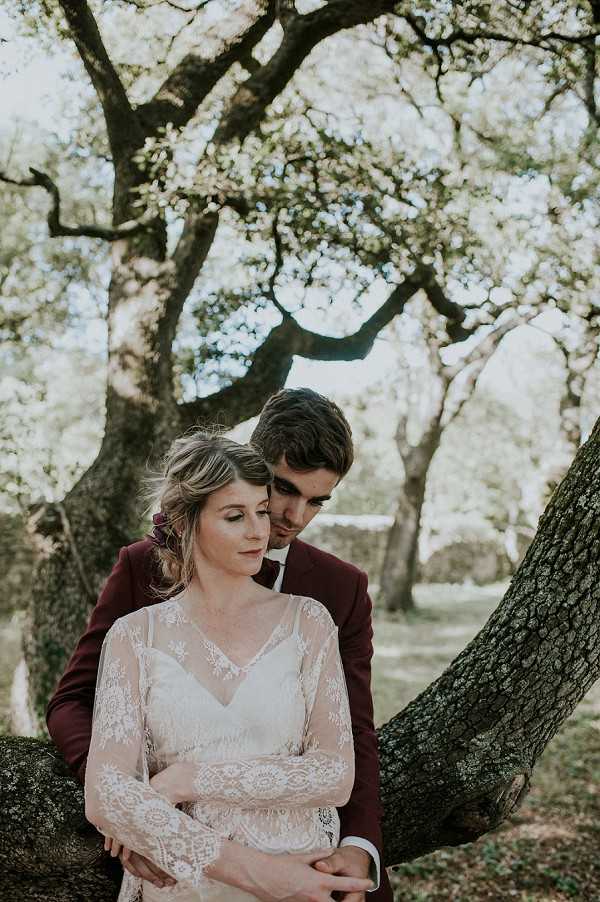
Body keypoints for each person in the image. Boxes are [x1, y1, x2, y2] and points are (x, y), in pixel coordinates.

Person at [47, 388, 393, 902]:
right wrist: (137, 815)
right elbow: (72, 703)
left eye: (317, 501)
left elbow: (353, 735)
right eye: (283, 489)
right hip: (176, 867)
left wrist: (360, 845)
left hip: (304, 856)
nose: (294, 517)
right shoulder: (142, 569)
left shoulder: (336, 592)